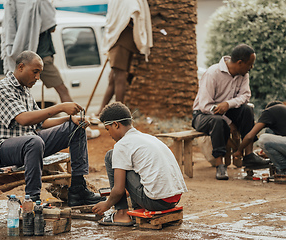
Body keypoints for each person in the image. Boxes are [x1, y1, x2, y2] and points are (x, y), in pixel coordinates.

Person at [0, 51, 105, 206]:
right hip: (0, 149)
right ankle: (32, 199)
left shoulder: (24, 90)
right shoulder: (2, 89)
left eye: (40, 73)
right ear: (21, 67)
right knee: (34, 141)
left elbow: (41, 122)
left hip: (28, 145)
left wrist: (70, 119)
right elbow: (23, 119)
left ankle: (78, 190)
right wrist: (60, 107)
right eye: (35, 72)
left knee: (75, 128)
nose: (38, 78)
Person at [1, 0, 99, 139]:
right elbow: (51, 25)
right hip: (42, 56)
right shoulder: (38, 3)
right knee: (62, 90)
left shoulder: (17, 6)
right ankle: (80, 127)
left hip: (37, 54)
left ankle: (76, 125)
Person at [92, 102, 187, 226]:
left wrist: (107, 204)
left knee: (111, 155)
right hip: (174, 199)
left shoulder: (122, 145)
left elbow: (118, 190)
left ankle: (121, 214)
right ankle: (135, 206)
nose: (109, 134)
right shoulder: (148, 138)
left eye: (108, 129)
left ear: (116, 125)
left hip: (156, 202)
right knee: (127, 162)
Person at [192, 44, 269, 181]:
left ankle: (249, 156)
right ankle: (220, 165)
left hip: (227, 111)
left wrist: (228, 104)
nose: (251, 68)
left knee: (247, 109)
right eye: (250, 64)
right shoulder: (212, 73)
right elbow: (205, 106)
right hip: (203, 115)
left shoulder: (243, 74)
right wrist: (229, 123)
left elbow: (245, 96)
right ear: (240, 63)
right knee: (218, 121)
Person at [95, 0, 153, 116]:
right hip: (117, 40)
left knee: (119, 76)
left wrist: (120, 25)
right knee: (113, 77)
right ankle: (101, 111)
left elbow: (132, 13)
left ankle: (118, 114)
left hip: (121, 40)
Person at [234, 101, 286, 175]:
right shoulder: (282, 111)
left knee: (263, 139)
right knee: (269, 131)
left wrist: (239, 150)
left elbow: (250, 136)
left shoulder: (269, 111)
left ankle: (283, 169)